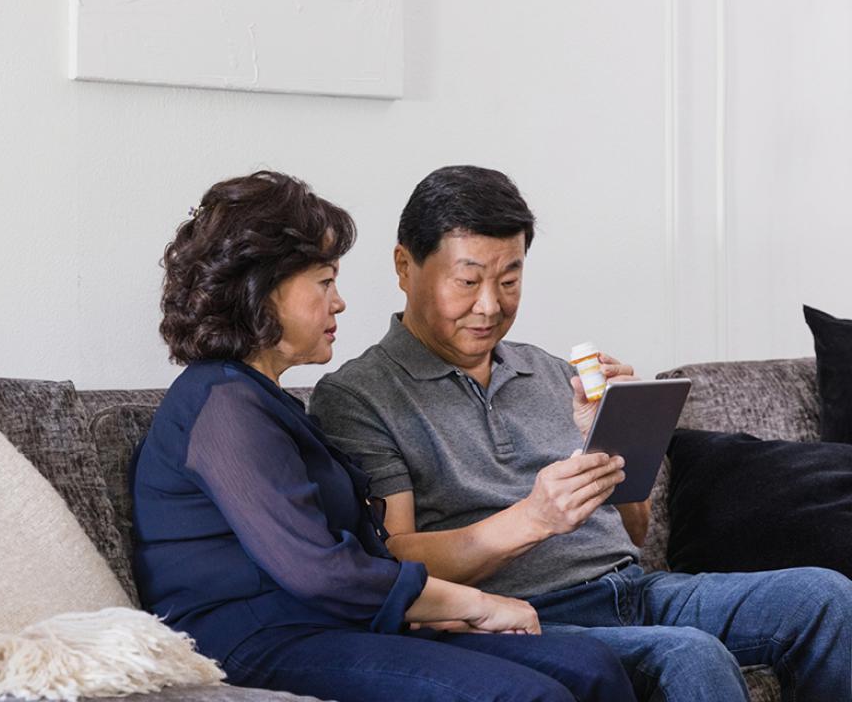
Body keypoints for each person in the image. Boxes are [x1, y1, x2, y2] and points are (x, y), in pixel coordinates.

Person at [308, 164, 852, 702]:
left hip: (634, 589)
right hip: (522, 617)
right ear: (405, 266)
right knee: (689, 654)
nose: (490, 306)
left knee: (824, 597)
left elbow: (634, 532)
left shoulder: (551, 372)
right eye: (467, 282)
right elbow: (393, 560)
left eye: (510, 281)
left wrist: (621, 440)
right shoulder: (359, 396)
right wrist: (534, 519)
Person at [130, 170, 636, 702]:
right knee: (528, 696)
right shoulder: (221, 405)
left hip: (326, 622)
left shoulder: (263, 399)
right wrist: (476, 604)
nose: (340, 302)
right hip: (253, 640)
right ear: (261, 291)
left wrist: (427, 608)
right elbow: (319, 573)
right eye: (325, 282)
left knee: (590, 665)